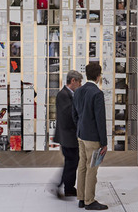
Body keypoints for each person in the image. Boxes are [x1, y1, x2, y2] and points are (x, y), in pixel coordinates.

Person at [72, 62, 108, 210]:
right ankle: (89, 201)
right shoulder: (97, 93)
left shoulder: (78, 91)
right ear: (99, 76)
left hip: (80, 134)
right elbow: (100, 120)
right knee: (92, 168)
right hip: (93, 138)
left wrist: (80, 128)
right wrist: (104, 142)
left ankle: (81, 198)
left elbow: (74, 115)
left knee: (82, 166)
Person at [54, 70, 83, 198]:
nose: (80, 85)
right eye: (79, 82)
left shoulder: (68, 94)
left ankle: (67, 187)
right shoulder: (63, 95)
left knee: (71, 162)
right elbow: (68, 116)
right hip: (68, 136)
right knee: (72, 162)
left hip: (69, 136)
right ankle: (65, 187)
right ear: (73, 81)